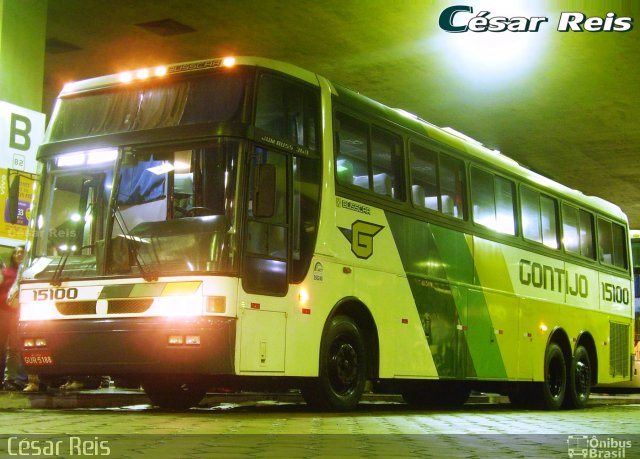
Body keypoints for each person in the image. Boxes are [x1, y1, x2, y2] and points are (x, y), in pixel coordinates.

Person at [0, 246, 27, 390]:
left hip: (19, 313)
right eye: (16, 252)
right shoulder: (5, 271)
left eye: (21, 252)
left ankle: (12, 379)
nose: (18, 255)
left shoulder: (27, 271)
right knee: (2, 346)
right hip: (3, 312)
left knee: (16, 347)